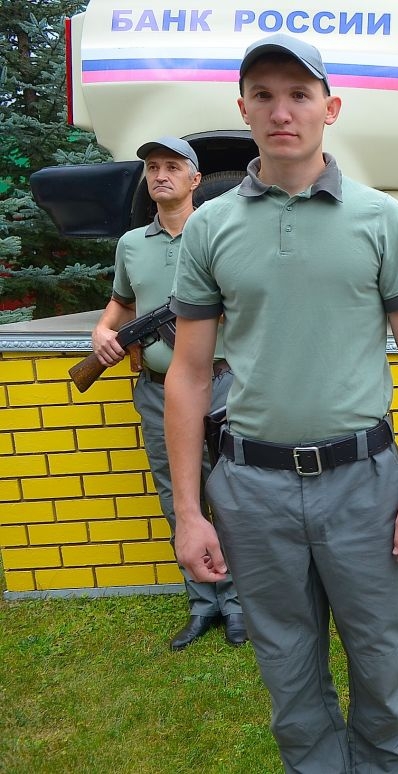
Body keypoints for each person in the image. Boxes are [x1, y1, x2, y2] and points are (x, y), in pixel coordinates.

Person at [163, 34, 398, 772]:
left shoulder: (380, 217)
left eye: (298, 94)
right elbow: (189, 375)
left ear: (331, 108)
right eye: (263, 95)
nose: (281, 110)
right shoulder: (211, 229)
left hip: (365, 485)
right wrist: (191, 513)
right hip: (251, 490)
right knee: (287, 673)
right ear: (243, 109)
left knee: (379, 667)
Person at [90, 136, 244, 651]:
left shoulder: (221, 233)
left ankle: (241, 605)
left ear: (195, 179)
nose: (160, 175)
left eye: (173, 167)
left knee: (232, 492)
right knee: (178, 497)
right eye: (153, 168)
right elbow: (119, 305)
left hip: (223, 384)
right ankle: (204, 603)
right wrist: (103, 332)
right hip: (157, 392)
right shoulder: (132, 244)